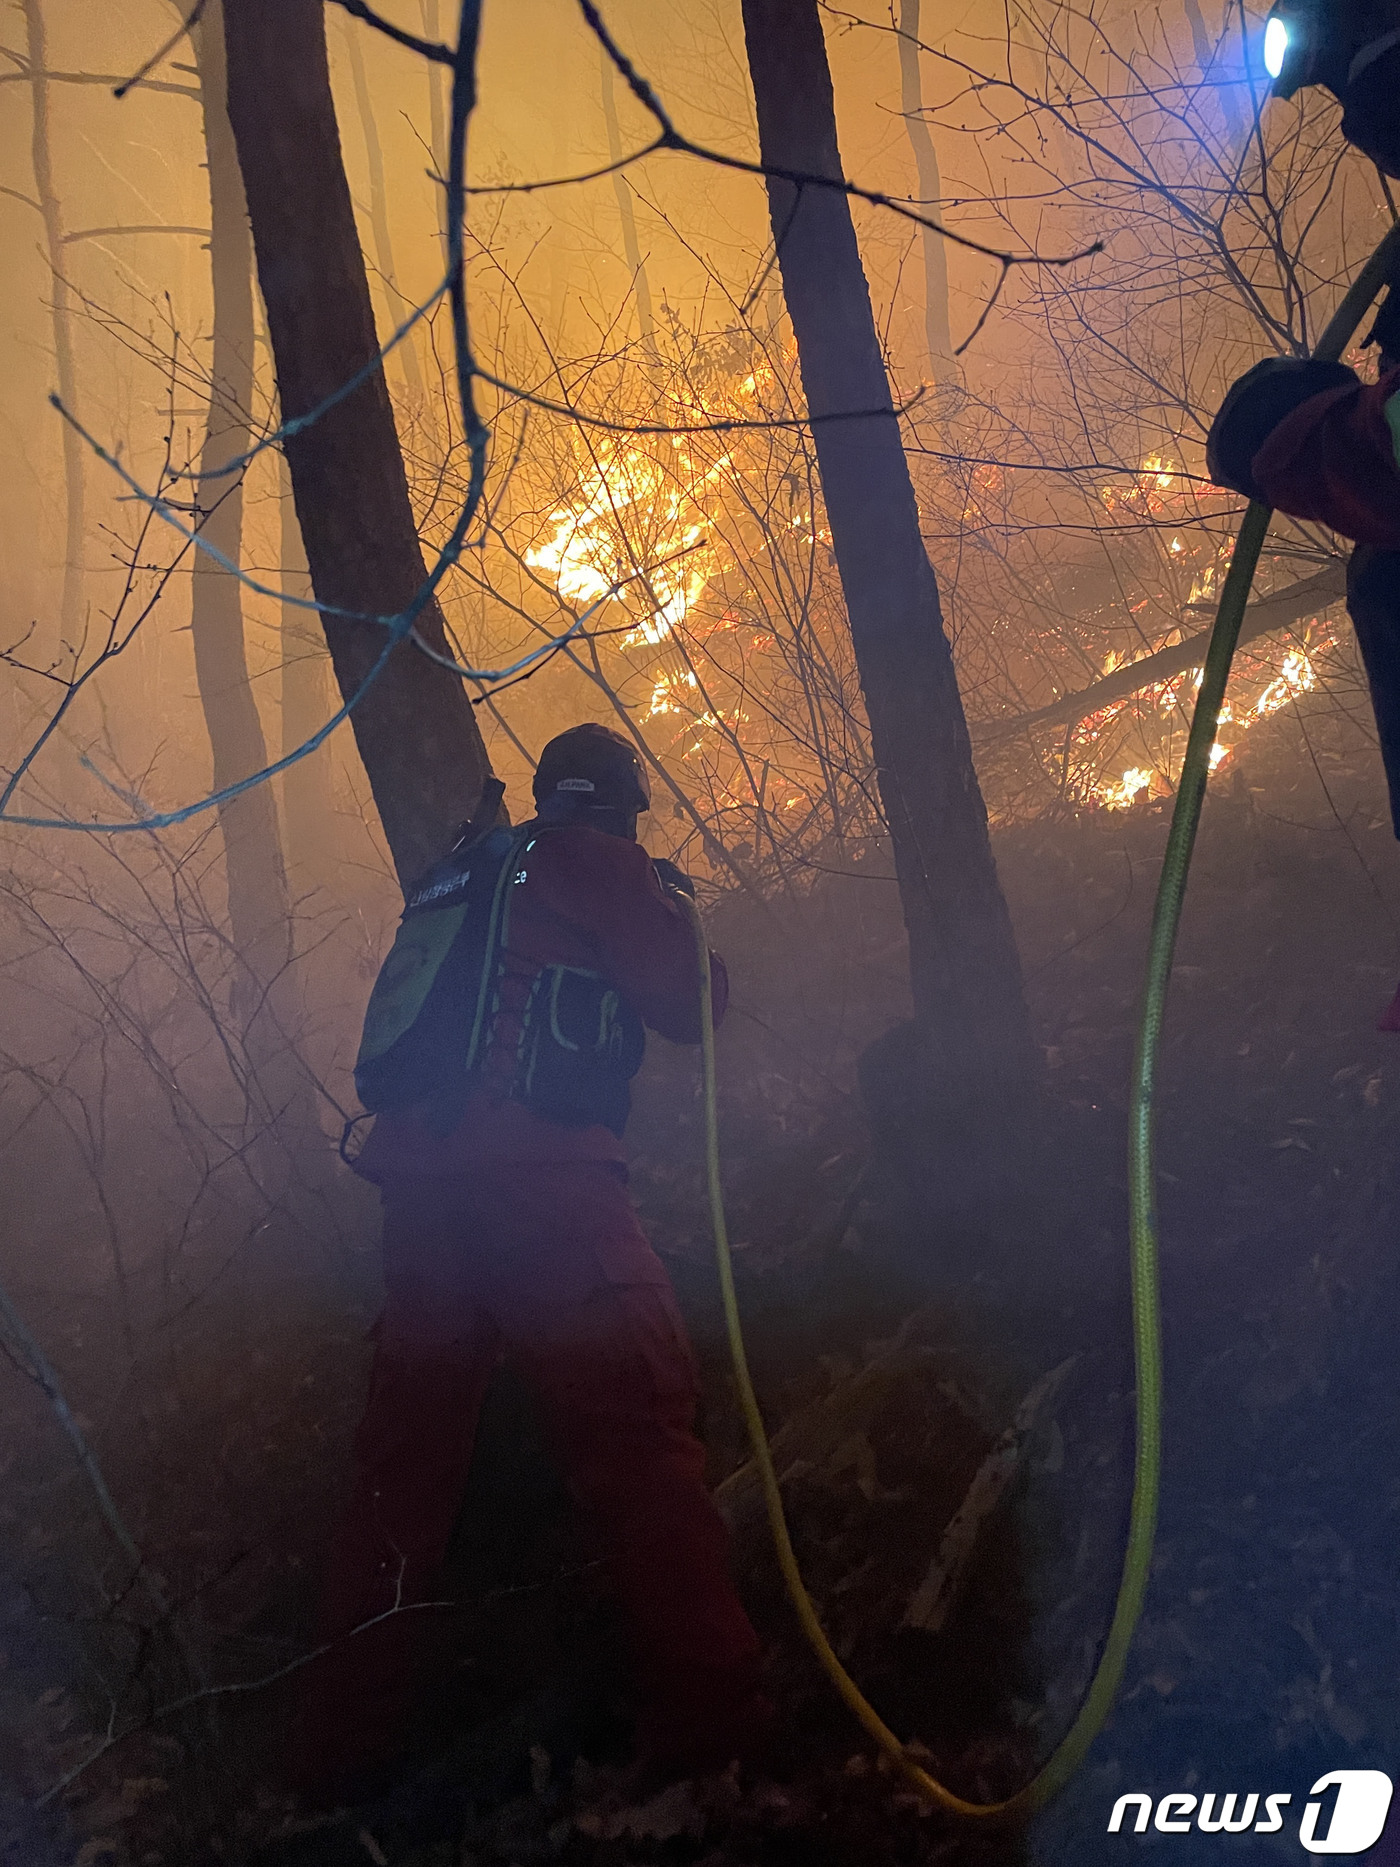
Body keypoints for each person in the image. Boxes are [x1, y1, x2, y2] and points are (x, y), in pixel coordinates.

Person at [290, 724, 767, 1800]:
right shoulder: (596, 860)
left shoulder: (466, 876)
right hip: (545, 1194)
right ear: (619, 809)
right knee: (642, 1438)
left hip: (420, 1202)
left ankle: (336, 1754)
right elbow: (692, 1004)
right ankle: (716, 1732)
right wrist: (676, 913)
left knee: (399, 1477)